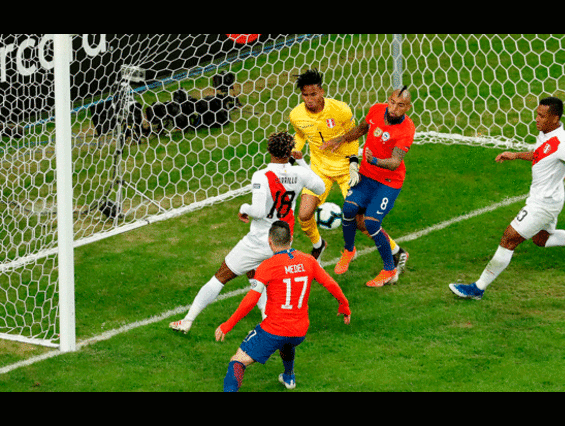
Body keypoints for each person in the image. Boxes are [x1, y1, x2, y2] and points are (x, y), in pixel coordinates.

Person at [449, 97, 565, 300]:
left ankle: (478, 288)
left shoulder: (562, 143)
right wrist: (516, 155)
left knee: (509, 238)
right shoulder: (545, 133)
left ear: (555, 118)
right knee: (541, 239)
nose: (537, 119)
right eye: (537, 114)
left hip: (543, 204)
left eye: (542, 116)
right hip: (549, 199)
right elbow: (540, 154)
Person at [169, 131, 325, 334]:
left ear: (269, 150)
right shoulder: (300, 174)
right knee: (256, 276)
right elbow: (320, 187)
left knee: (220, 277)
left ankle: (187, 321)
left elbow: (258, 211)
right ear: (290, 152)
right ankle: (267, 321)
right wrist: (302, 163)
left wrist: (244, 207)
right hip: (283, 240)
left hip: (260, 240)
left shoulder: (261, 176)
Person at [289, 69, 409, 272]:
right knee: (304, 214)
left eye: (313, 94)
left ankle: (397, 252)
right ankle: (319, 245)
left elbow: (355, 135)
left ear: (321, 91)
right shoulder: (296, 115)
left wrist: (354, 162)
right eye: (305, 95)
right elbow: (300, 133)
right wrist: (295, 149)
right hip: (320, 169)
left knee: (362, 222)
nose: (309, 99)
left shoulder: (341, 110)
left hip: (346, 169)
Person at [215, 220, 351, 392]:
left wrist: (228, 325)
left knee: (237, 361)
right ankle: (289, 376)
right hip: (299, 331)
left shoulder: (267, 266)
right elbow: (331, 284)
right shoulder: (309, 261)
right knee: (287, 342)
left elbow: (250, 300)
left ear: (270, 241)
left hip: (274, 330)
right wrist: (344, 306)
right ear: (291, 238)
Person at [331, 86, 415, 287]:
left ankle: (389, 270)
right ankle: (349, 250)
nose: (394, 108)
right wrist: (342, 139)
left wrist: (375, 160)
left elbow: (395, 162)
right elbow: (362, 128)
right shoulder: (377, 109)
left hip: (388, 182)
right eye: (392, 102)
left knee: (371, 223)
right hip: (367, 175)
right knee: (349, 208)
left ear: (408, 107)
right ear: (388, 100)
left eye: (400, 105)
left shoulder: (407, 129)